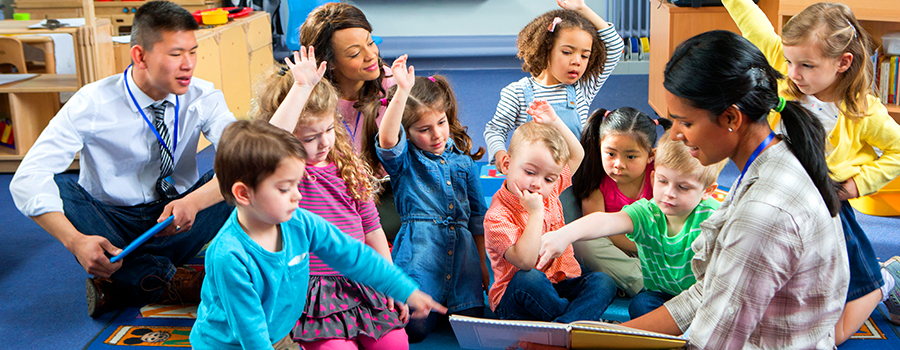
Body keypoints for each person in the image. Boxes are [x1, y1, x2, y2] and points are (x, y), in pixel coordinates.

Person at [618, 30, 848, 349]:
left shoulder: (764, 214)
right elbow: (708, 293)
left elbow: (710, 342)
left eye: (684, 122)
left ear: (730, 118)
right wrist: (609, 337)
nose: (675, 136)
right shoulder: (777, 155)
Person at [9, 0, 235, 318]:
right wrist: (74, 241)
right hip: (111, 227)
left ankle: (125, 281)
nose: (189, 64)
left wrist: (196, 202)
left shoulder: (203, 96)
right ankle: (166, 278)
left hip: (177, 220)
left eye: (193, 51)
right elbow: (27, 178)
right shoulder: (92, 102)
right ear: (139, 56)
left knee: (240, 176)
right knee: (59, 186)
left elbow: (247, 157)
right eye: (175, 54)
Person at [723, 0, 900, 341]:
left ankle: (887, 278)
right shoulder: (785, 68)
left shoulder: (862, 111)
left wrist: (854, 186)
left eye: (806, 65)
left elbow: (897, 150)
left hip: (829, 209)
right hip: (777, 198)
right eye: (789, 61)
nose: (793, 73)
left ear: (842, 63)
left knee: (834, 335)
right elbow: (749, 18)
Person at [188, 120, 446, 350]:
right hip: (228, 343)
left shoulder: (299, 221)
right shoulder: (228, 256)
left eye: (297, 184)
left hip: (275, 333)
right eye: (284, 189)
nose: (297, 195)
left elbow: (353, 256)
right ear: (244, 194)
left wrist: (403, 288)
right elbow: (250, 331)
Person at [256, 47, 411, 349]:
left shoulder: (346, 164)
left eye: (329, 129)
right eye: (309, 138)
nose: (324, 142)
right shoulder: (285, 175)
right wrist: (301, 88)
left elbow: (372, 227)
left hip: (359, 280)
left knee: (396, 344)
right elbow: (269, 141)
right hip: (312, 289)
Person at [539, 129, 726, 319]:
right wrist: (564, 235)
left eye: (683, 187)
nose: (669, 193)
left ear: (707, 191)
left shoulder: (713, 217)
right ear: (653, 178)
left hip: (702, 296)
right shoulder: (647, 212)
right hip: (664, 293)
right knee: (641, 305)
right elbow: (605, 221)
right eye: (663, 181)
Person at [375, 56, 489, 342]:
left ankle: (450, 307)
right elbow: (387, 141)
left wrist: (485, 268)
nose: (437, 134)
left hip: (464, 266)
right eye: (424, 130)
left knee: (471, 330)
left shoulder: (462, 163)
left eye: (441, 122)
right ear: (408, 133)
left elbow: (477, 218)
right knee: (415, 329)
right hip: (419, 258)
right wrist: (401, 92)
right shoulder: (405, 161)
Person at [484, 101, 616, 323]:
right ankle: (576, 320)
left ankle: (563, 325)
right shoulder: (497, 216)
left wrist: (555, 121)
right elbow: (525, 262)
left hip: (558, 284)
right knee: (530, 279)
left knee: (604, 282)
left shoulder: (550, 188)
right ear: (506, 164)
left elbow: (577, 155)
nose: (537, 184)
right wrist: (535, 214)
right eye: (529, 172)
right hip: (516, 297)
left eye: (548, 178)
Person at [299, 1, 402, 242]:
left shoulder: (393, 85)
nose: (371, 56)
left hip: (383, 193)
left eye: (371, 42)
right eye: (355, 53)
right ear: (330, 62)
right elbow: (268, 149)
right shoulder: (311, 97)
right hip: (326, 193)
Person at [485, 0, 623, 167]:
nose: (577, 61)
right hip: (534, 181)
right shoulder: (517, 92)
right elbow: (495, 129)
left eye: (585, 55)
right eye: (567, 52)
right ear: (546, 49)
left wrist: (583, 9)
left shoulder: (582, 89)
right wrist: (500, 153)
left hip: (573, 180)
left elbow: (616, 46)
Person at [570, 107, 673, 297]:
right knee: (583, 243)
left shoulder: (659, 174)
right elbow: (596, 229)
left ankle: (636, 280)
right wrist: (643, 246)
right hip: (619, 251)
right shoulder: (595, 181)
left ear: (651, 155)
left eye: (631, 156)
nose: (619, 164)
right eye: (610, 154)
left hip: (661, 249)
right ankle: (645, 284)